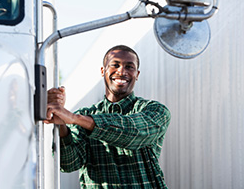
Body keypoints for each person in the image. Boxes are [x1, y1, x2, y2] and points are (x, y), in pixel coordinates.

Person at [45, 45, 171, 188]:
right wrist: (61, 123)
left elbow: (134, 132)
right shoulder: (85, 115)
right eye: (115, 65)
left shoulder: (155, 110)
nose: (122, 71)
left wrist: (74, 119)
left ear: (137, 74)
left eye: (129, 67)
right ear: (102, 71)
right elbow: (68, 164)